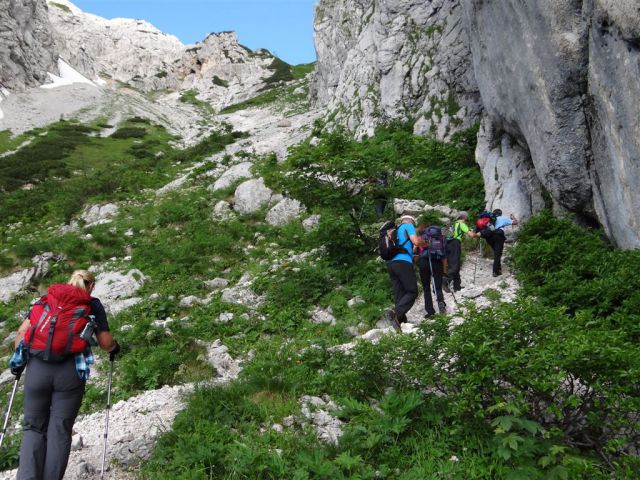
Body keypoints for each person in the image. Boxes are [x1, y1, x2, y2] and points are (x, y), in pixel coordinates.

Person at [11, 270, 120, 480]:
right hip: (69, 373)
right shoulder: (92, 304)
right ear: (91, 286)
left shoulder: (47, 299)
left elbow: (22, 333)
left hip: (37, 370)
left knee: (33, 427)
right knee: (60, 429)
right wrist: (115, 348)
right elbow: (106, 343)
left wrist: (20, 363)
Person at [384, 214, 420, 331]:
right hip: (403, 262)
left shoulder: (396, 230)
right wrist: (424, 242)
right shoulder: (408, 226)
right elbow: (416, 241)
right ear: (410, 220)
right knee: (412, 291)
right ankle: (395, 312)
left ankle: (399, 322)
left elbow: (410, 245)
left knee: (400, 293)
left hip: (391, 263)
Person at [443, 212, 479, 292]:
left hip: (447, 244)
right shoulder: (461, 224)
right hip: (455, 244)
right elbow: (471, 235)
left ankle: (457, 286)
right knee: (455, 265)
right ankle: (445, 281)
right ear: (464, 218)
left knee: (454, 264)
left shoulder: (453, 224)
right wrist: (478, 235)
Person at [417, 224, 447, 316]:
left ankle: (430, 311)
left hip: (424, 262)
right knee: (437, 286)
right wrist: (444, 271)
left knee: (426, 287)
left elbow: (416, 249)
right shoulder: (441, 238)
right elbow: (444, 256)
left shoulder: (421, 237)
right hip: (437, 262)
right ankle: (441, 303)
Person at [482, 209, 519, 277]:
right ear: (500, 214)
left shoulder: (489, 219)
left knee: (497, 252)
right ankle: (495, 271)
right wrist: (512, 217)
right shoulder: (503, 218)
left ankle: (498, 269)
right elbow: (515, 222)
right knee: (497, 253)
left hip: (489, 237)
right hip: (498, 236)